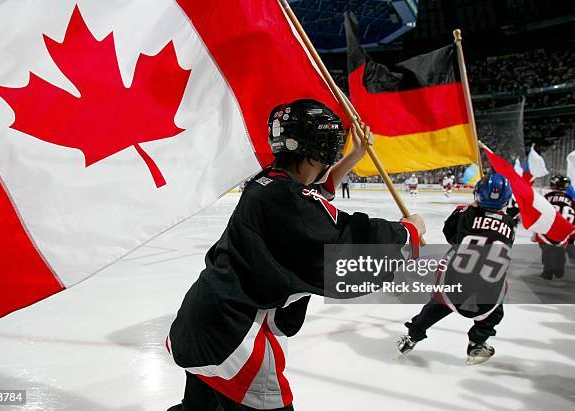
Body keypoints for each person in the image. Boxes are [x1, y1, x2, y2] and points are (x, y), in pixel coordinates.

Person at [166, 99, 425, 410]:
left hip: (202, 320)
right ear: (317, 147)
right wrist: (408, 233)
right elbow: (341, 245)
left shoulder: (268, 185)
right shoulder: (287, 200)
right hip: (234, 337)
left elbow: (308, 202)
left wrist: (354, 156)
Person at [397, 173, 515, 365]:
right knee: (495, 311)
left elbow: (449, 235)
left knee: (438, 304)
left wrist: (470, 214)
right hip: (487, 292)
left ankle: (412, 336)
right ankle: (477, 343)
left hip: (454, 281)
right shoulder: (510, 224)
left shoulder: (464, 213)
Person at [536, 175, 574, 280]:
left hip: (548, 230)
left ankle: (547, 271)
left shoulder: (547, 198)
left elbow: (539, 213)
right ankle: (559, 269)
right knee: (560, 250)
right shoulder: (571, 200)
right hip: (563, 232)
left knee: (547, 250)